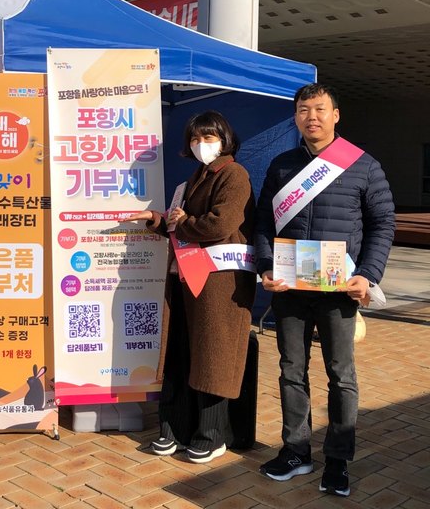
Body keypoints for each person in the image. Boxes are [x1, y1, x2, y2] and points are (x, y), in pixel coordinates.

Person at [255, 83, 394, 497]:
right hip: (290, 290)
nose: (311, 117)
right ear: (295, 117)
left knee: (341, 376)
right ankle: (296, 451)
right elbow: (264, 223)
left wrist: (368, 275)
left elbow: (383, 223)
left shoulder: (363, 165)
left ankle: (338, 460)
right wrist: (264, 266)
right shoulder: (281, 165)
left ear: (335, 115)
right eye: (303, 110)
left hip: (339, 291)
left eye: (319, 109)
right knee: (290, 372)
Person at [127, 111, 256, 464]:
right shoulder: (195, 177)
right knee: (183, 354)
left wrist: (184, 223)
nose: (202, 145)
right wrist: (159, 221)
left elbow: (220, 224)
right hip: (187, 278)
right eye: (196, 139)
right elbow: (179, 225)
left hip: (219, 283)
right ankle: (177, 429)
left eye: (209, 137)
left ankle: (212, 435)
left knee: (213, 355)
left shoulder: (234, 175)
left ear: (224, 139)